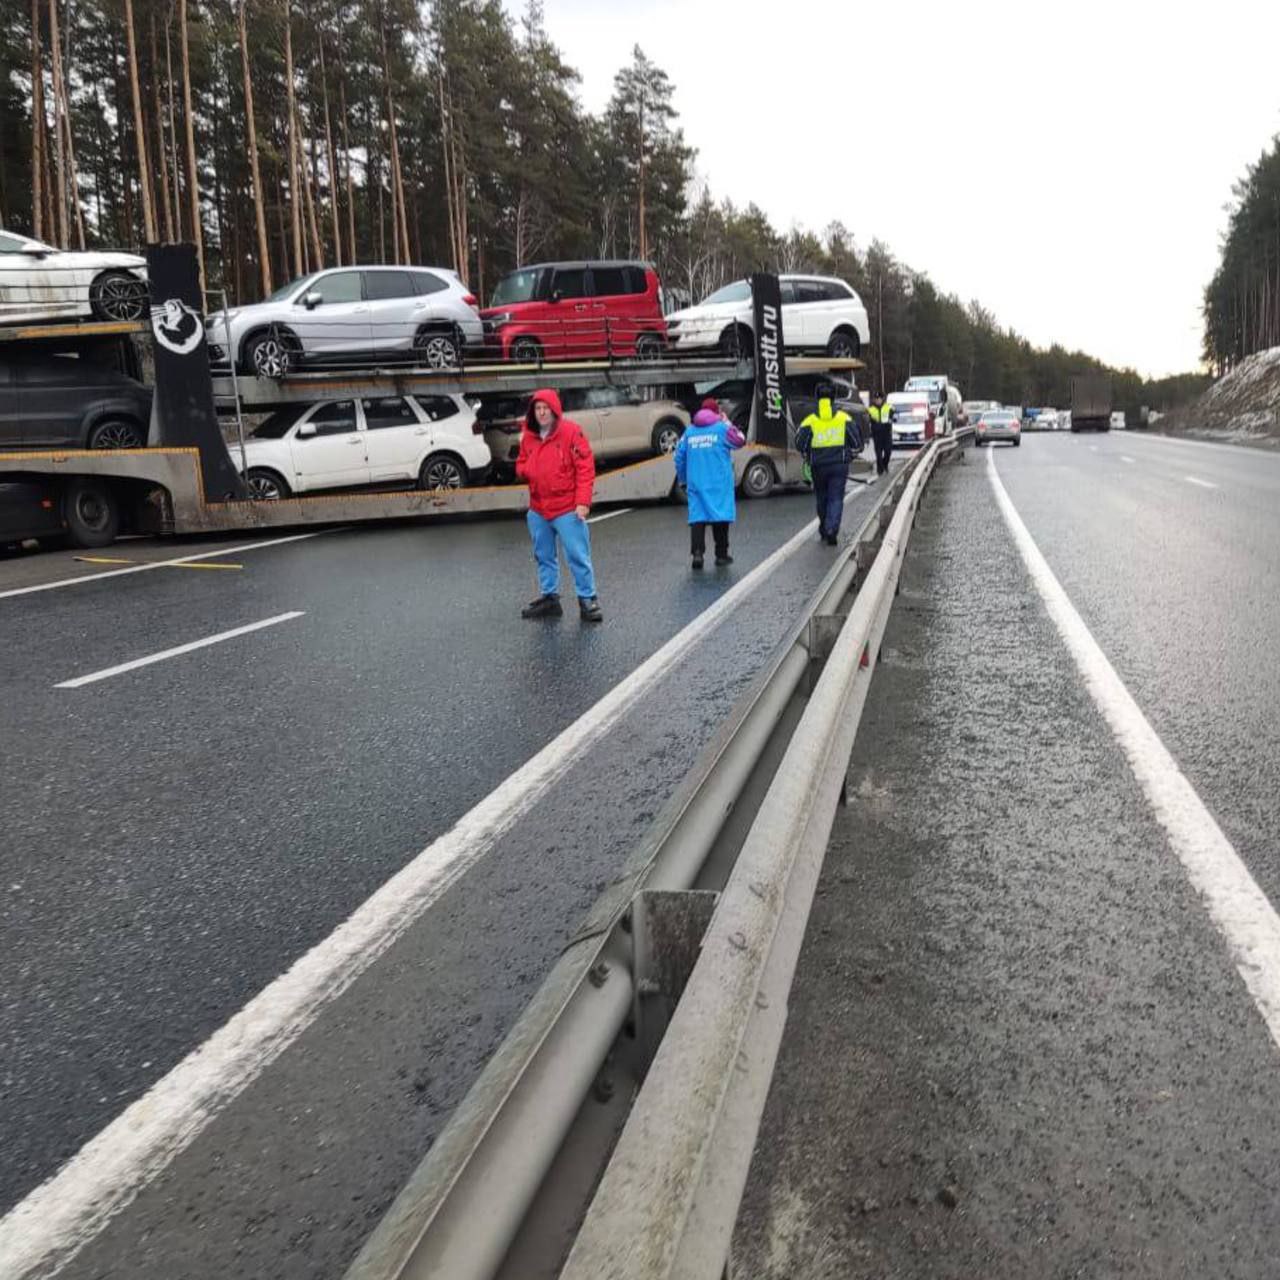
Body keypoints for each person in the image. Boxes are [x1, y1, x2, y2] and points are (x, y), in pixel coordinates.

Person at [516, 388, 603, 622]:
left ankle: (587, 599)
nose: (542, 413)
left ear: (554, 410)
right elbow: (521, 463)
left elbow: (585, 467)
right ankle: (550, 599)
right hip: (538, 508)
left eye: (545, 408)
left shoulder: (571, 432)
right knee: (543, 555)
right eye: (538, 409)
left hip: (566, 507)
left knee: (577, 554)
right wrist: (526, 470)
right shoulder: (529, 436)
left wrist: (583, 502)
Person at [675, 401, 746, 569]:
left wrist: (683, 478)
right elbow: (740, 440)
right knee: (720, 517)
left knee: (697, 518)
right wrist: (727, 421)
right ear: (716, 412)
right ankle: (721, 555)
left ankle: (697, 554)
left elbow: (679, 457)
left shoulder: (690, 432)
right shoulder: (722, 429)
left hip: (696, 482)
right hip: (718, 483)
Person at [796, 384, 854, 545]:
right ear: (833, 398)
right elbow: (857, 442)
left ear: (817, 398)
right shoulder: (844, 418)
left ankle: (824, 527)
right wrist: (850, 454)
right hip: (839, 465)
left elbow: (799, 443)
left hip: (818, 466)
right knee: (836, 498)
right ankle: (831, 529)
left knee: (822, 498)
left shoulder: (810, 420)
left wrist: (808, 452)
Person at [867, 391, 894, 477]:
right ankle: (880, 470)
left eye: (879, 399)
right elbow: (868, 420)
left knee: (888, 452)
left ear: (882, 399)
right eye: (876, 399)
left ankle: (885, 464)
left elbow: (892, 416)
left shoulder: (888, 408)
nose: (878, 400)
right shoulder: (870, 409)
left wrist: (891, 419)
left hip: (886, 433)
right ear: (874, 400)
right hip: (877, 434)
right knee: (878, 453)